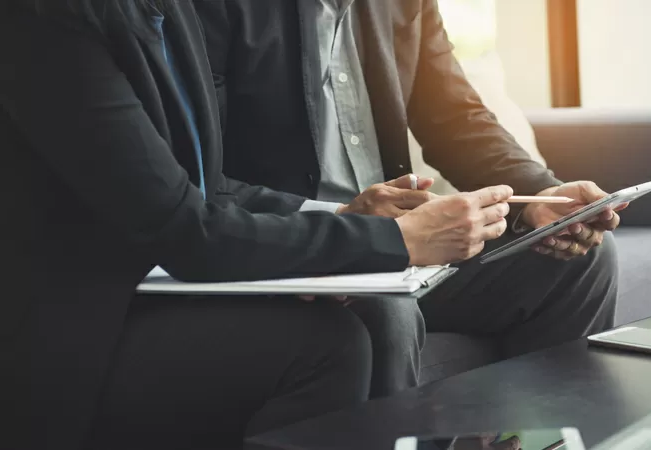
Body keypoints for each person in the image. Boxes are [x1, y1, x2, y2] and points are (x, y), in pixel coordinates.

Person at [0, 1, 514, 448]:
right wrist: (392, 242)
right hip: (75, 325)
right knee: (332, 346)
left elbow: (208, 185)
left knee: (363, 322)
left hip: (146, 284)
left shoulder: (165, 11)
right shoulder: (46, 24)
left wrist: (343, 228)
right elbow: (183, 230)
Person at [193, 0, 621, 398]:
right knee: (383, 312)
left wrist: (540, 195)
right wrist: (345, 221)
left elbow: (454, 118)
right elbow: (198, 179)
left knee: (579, 260)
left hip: (403, 245)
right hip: (290, 246)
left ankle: (533, 438)